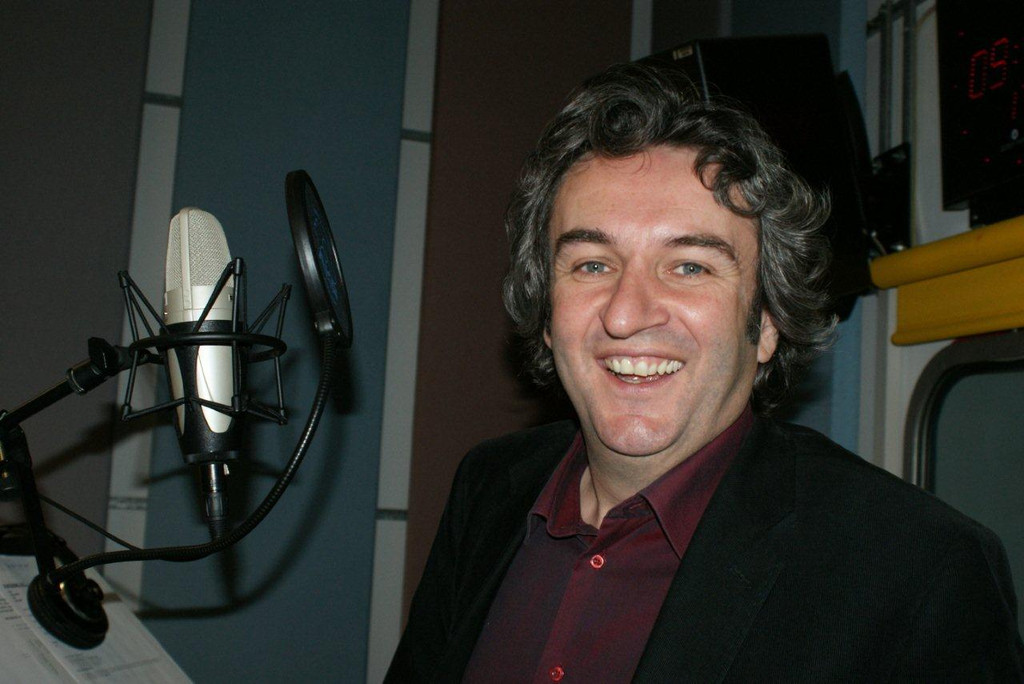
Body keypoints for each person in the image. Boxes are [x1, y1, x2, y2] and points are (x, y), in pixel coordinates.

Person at [386, 63, 1024, 682]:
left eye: (690, 266)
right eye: (592, 265)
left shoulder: (920, 571)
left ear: (767, 322)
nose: (626, 314)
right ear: (548, 314)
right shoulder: (488, 487)